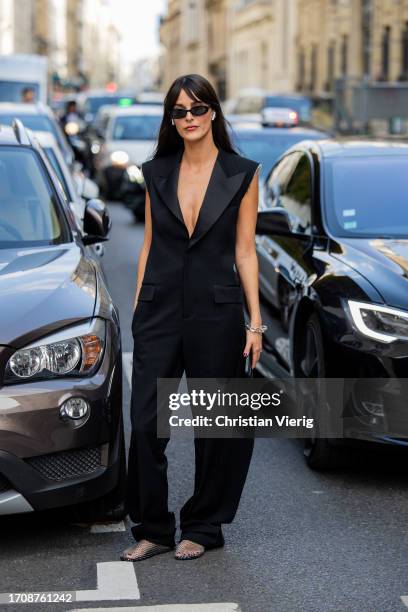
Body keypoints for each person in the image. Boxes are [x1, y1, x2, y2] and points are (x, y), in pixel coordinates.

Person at [121, 73, 265, 562]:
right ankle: (153, 528)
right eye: (179, 111)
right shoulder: (155, 171)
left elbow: (246, 253)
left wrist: (255, 323)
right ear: (171, 118)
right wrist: (141, 308)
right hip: (159, 311)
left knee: (216, 426)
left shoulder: (242, 173)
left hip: (218, 311)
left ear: (213, 113)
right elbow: (146, 246)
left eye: (197, 108)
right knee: (145, 423)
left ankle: (203, 526)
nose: (188, 118)